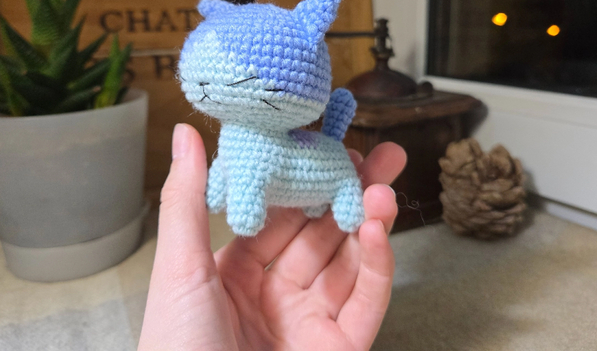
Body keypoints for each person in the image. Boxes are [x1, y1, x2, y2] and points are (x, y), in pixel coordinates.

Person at [138, 123, 407, 351]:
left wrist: (236, 200)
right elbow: (227, 168)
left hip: (331, 175)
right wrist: (217, 189)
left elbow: (245, 191)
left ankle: (343, 194)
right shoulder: (237, 142)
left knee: (355, 208)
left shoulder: (261, 150)